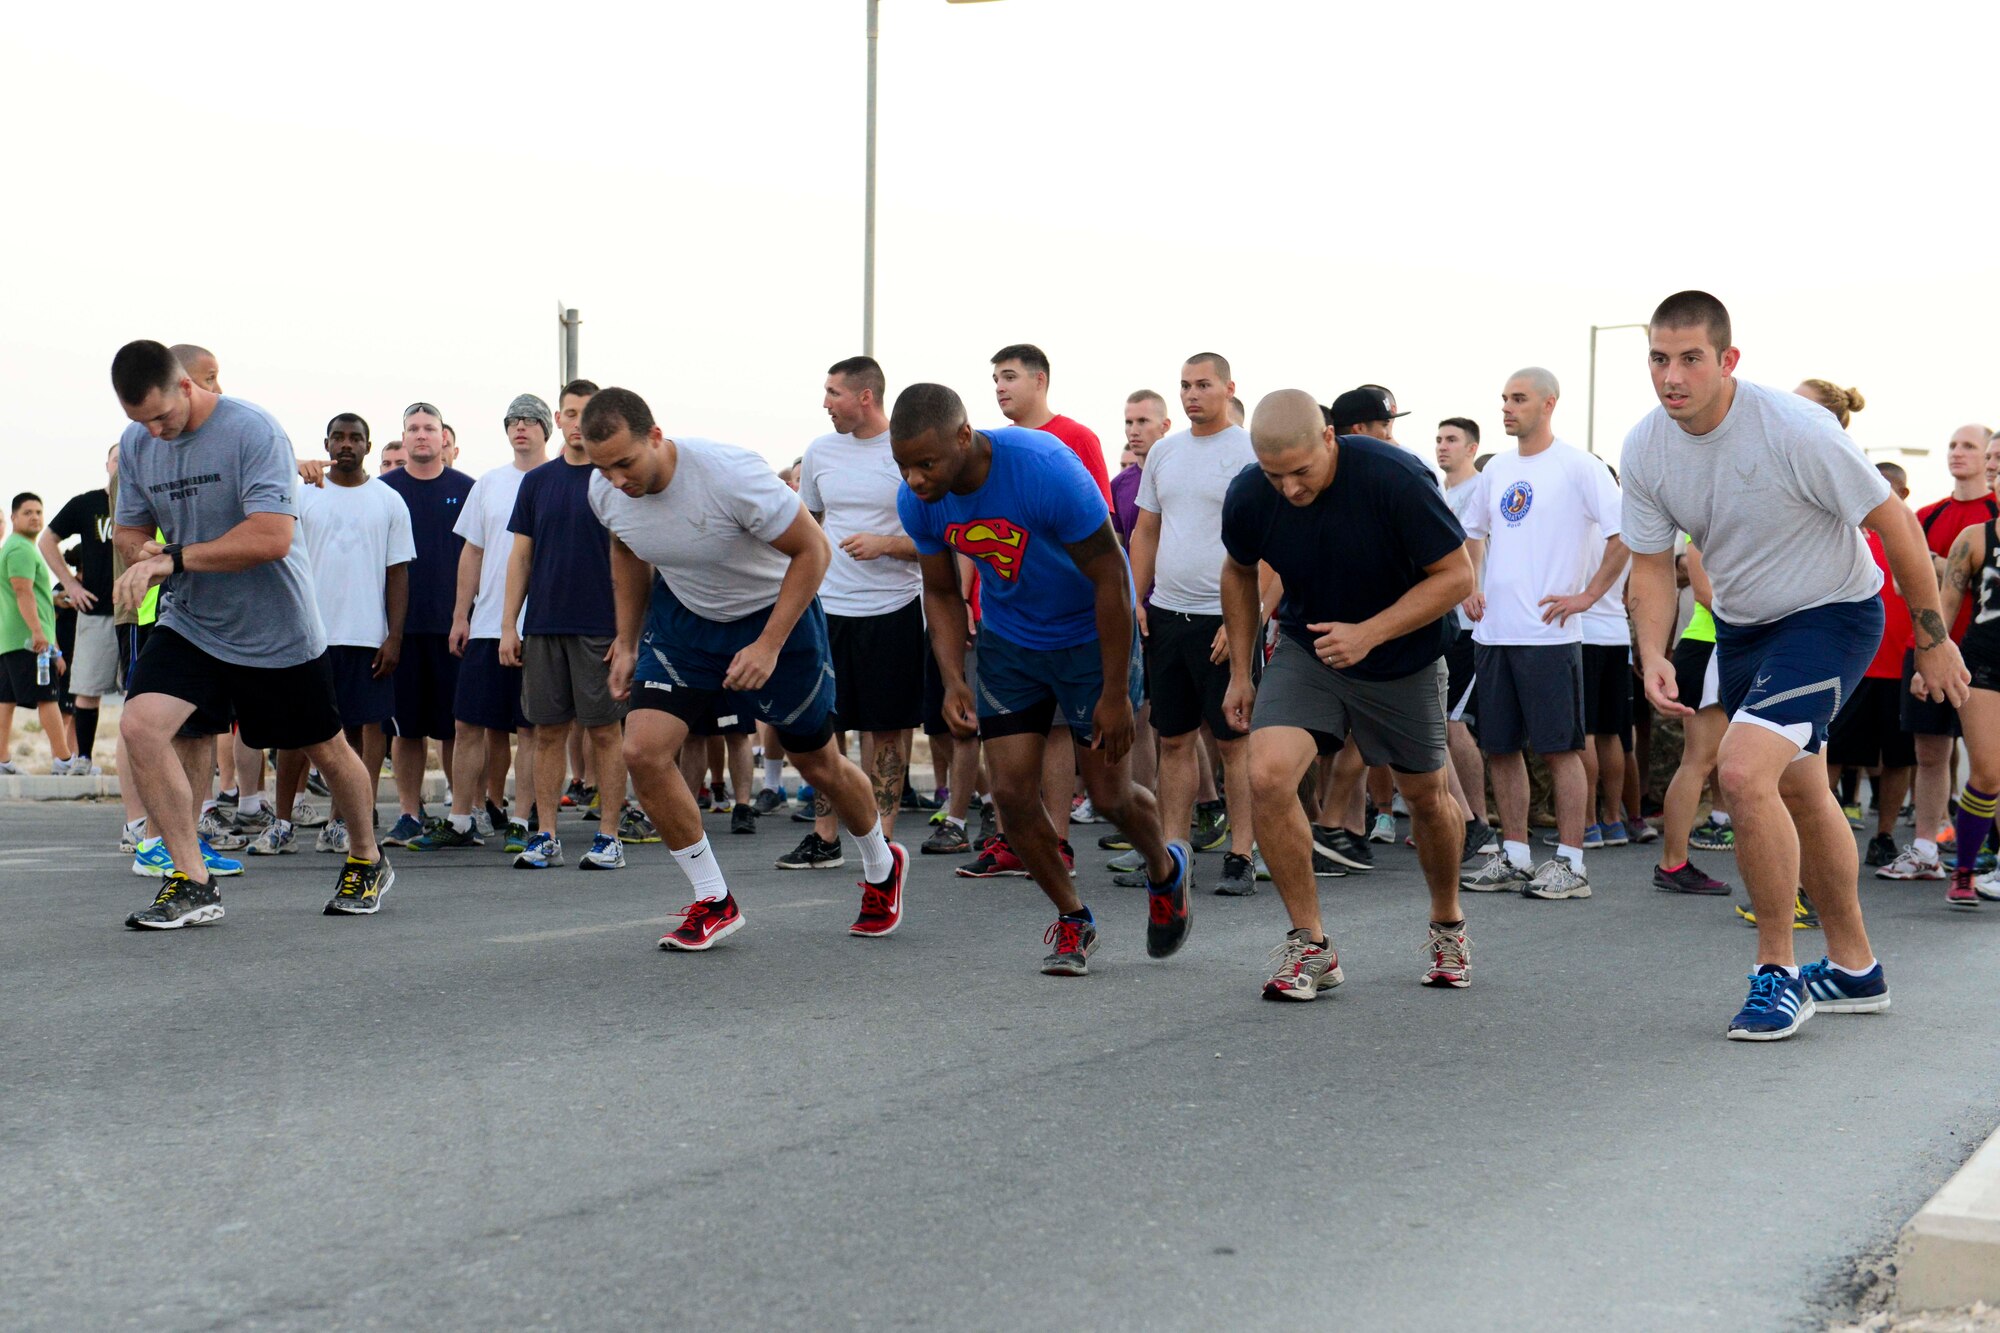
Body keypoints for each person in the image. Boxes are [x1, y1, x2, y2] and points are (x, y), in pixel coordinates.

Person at [1625, 291, 1966, 1040]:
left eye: (1690, 358)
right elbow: (1651, 565)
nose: (1671, 376)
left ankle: (1775, 971)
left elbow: (1895, 522)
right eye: (1658, 358)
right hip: (1746, 630)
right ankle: (1854, 968)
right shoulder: (1647, 445)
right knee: (1804, 790)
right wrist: (1651, 650)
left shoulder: (1794, 428)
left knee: (1743, 772)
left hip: (1832, 614)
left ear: (1727, 360)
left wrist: (1932, 637)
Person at [581, 388, 909, 946]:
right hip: (686, 622)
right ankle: (713, 898)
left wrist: (768, 645)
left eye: (625, 463)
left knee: (818, 763)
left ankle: (881, 862)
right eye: (602, 467)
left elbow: (815, 551)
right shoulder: (605, 491)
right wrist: (628, 641)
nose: (616, 480)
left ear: (655, 436)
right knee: (642, 750)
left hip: (775, 615)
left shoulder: (729, 475)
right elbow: (628, 550)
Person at [894, 382, 1189, 975]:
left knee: (1108, 795)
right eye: (903, 465)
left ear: (963, 436)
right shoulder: (918, 500)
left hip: (1088, 638)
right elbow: (942, 590)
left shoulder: (1046, 467)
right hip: (1010, 644)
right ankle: (1073, 918)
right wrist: (953, 677)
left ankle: (1165, 868)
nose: (915, 479)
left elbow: (1111, 574)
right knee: (1008, 796)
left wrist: (1112, 692)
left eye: (925, 463)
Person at [108, 340, 391, 925]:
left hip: (275, 628)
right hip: (192, 619)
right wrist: (143, 555)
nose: (155, 433)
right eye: (140, 421)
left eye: (161, 416)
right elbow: (131, 529)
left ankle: (367, 857)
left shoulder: (254, 431)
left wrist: (174, 558)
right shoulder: (139, 443)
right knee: (140, 724)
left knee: (328, 750)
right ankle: (192, 880)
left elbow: (271, 538)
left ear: (187, 386)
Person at [1221, 390, 1476, 999]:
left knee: (1426, 797)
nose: (1288, 489)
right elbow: (1236, 569)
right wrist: (1240, 670)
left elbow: (1458, 576)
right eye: (1274, 474)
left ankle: (1447, 922)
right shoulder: (1250, 491)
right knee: (1267, 775)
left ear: (1330, 438)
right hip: (1310, 650)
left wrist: (1370, 634)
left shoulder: (1394, 476)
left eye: (1301, 472)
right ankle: (1310, 946)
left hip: (1402, 656)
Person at [1457, 368, 1626, 900]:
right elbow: (1473, 534)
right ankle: (1515, 855)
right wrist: (1470, 585)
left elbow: (1626, 537)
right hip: (1494, 633)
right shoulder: (1498, 468)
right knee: (1500, 748)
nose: (1507, 407)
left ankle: (1571, 863)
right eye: (1504, 399)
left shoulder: (1580, 467)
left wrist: (1587, 596)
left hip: (1550, 636)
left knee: (1560, 750)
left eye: (1519, 399)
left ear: (1549, 403)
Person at [1127, 354, 1261, 895]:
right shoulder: (1164, 451)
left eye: (1203, 385)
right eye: (1184, 386)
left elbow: (1268, 547)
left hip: (1225, 617)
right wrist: (1135, 597)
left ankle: (1241, 855)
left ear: (1229, 388)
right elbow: (1145, 532)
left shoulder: (1251, 452)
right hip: (1167, 615)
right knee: (1174, 739)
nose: (1192, 395)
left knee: (1234, 742)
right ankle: (1172, 853)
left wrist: (1245, 619)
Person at [976, 343, 1111, 877]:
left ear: (1040, 381)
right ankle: (1016, 839)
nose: (1000, 387)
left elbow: (1101, 535)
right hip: (1004, 618)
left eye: (1009, 376)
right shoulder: (992, 448)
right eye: (995, 379)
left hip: (1067, 621)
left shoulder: (1074, 439)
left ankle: (1057, 841)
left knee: (1058, 731)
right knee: (1008, 735)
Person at [783, 356, 924, 867]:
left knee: (886, 729)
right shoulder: (820, 451)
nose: (825, 404)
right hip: (829, 608)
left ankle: (881, 842)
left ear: (865, 396)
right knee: (825, 726)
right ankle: (825, 838)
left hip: (893, 607)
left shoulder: (905, 451)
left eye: (833, 393)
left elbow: (935, 541)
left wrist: (887, 544)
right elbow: (808, 525)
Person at [256, 413, 415, 855]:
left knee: (364, 733)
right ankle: (283, 822)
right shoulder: (302, 496)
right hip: (308, 635)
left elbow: (398, 572)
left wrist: (394, 636)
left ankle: (341, 822)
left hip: (367, 636)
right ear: (326, 443)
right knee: (297, 734)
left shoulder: (389, 501)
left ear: (368, 445)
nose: (346, 444)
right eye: (339, 437)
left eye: (355, 438)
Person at [500, 381, 630, 870]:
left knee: (604, 733)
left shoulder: (614, 478)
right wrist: (509, 624)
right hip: (545, 626)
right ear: (558, 419)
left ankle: (609, 836)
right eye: (570, 413)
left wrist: (627, 633)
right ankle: (546, 834)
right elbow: (521, 557)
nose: (578, 423)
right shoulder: (537, 482)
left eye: (587, 414)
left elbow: (636, 559)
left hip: (601, 627)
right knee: (546, 731)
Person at [414, 396, 552, 855]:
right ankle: (460, 818)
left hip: (542, 627)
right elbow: (471, 552)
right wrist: (461, 615)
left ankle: (519, 819)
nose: (521, 428)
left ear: (546, 429)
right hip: (489, 623)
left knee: (532, 728)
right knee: (467, 721)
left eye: (531, 421)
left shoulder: (558, 482)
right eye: (513, 421)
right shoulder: (489, 484)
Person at [1877, 423, 1995, 880]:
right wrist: (1945, 574)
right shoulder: (1926, 513)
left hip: (1982, 654)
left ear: (1989, 457)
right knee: (1929, 754)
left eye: (1968, 446)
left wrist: (1943, 566)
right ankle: (1927, 848)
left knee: (1989, 763)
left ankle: (1985, 854)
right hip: (1925, 645)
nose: (1957, 453)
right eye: (1952, 445)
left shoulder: (1993, 514)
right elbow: (1901, 582)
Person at [376, 402, 474, 845]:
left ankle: (460, 815)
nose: (421, 435)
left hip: (455, 628)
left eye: (429, 429)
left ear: (444, 438)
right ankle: (410, 814)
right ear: (404, 435)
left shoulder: (468, 489)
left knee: (456, 727)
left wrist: (467, 615)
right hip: (401, 630)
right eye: (412, 428)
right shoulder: (383, 490)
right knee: (407, 729)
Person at [39, 452, 121, 772]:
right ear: (106, 465)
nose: (122, 466)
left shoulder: (148, 500)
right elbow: (48, 540)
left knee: (142, 696)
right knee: (87, 690)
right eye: (116, 459)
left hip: (141, 615)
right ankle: (84, 759)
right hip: (96, 611)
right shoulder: (87, 504)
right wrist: (70, 584)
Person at [1434, 417, 1493, 856]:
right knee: (1441, 725)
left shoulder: (1480, 489)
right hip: (1441, 620)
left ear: (1472, 447)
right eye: (1438, 439)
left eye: (1451, 440)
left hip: (1473, 625)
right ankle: (1463, 818)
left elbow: (1478, 547)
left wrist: (1473, 590)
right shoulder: (1442, 492)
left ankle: (1480, 824)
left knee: (1454, 724)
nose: (1442, 446)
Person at [0, 494, 77, 773]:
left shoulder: (19, 547)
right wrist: (39, 635)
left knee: (5, 699)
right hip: (28, 639)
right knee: (48, 696)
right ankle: (64, 760)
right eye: (27, 512)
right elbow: (23, 592)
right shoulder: (20, 549)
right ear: (14, 518)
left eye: (38, 512)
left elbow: (38, 601)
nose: (34, 517)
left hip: (12, 639)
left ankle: (2, 760)